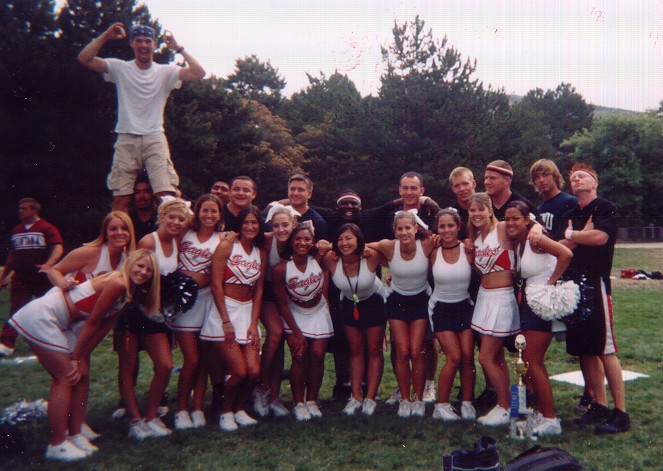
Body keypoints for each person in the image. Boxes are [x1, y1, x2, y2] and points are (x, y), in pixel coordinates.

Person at [10, 249, 159, 461]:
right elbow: (93, 323)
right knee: (65, 377)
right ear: (130, 264)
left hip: (61, 323)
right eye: (140, 266)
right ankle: (57, 444)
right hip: (43, 316)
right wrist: (76, 358)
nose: (143, 272)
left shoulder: (128, 292)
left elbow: (103, 328)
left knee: (82, 374)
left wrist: (82, 357)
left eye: (149, 270)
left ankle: (75, 434)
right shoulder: (118, 282)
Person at [78, 23, 205, 212]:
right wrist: (106, 35)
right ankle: (119, 233)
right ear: (132, 43)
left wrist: (178, 48)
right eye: (139, 41)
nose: (143, 45)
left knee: (166, 197)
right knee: (121, 198)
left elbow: (199, 73)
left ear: (154, 45)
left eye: (147, 41)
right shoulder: (119, 67)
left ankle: (168, 232)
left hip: (155, 137)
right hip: (126, 137)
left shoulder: (166, 71)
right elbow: (84, 58)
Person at [558, 164, 630, 435]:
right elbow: (561, 247)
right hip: (574, 286)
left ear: (595, 182)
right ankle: (599, 405)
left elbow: (599, 237)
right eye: (573, 177)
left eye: (583, 176)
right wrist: (578, 237)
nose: (577, 179)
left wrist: (572, 235)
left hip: (596, 282)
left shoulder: (604, 208)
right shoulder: (572, 213)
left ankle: (621, 412)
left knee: (604, 348)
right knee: (586, 349)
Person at [117, 198, 189, 440]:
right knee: (128, 366)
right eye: (172, 217)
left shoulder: (177, 242)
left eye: (181, 219)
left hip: (157, 313)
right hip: (134, 310)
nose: (176, 222)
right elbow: (134, 273)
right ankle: (135, 421)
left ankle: (151, 416)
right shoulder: (149, 241)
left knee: (165, 365)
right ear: (161, 217)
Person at [505, 201, 572, 435]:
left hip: (540, 303)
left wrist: (550, 284)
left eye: (515, 218)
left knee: (534, 362)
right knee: (528, 362)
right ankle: (540, 412)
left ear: (527, 220)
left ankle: (551, 418)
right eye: (507, 218)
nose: (510, 223)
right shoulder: (522, 241)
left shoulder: (537, 239)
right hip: (529, 303)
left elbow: (566, 254)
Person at [201, 205, 267, 431]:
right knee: (239, 371)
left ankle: (239, 409)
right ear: (239, 225)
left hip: (247, 312)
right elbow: (215, 284)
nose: (250, 227)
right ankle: (226, 412)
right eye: (246, 222)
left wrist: (254, 323)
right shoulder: (228, 245)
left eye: (254, 223)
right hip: (224, 312)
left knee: (253, 371)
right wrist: (226, 321)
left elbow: (259, 290)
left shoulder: (261, 252)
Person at [369, 211, 434, 418]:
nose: (404, 232)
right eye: (400, 229)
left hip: (421, 301)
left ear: (416, 228)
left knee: (417, 351)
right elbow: (361, 245)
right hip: (397, 302)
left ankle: (419, 399)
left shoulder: (427, 244)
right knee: (403, 351)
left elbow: (449, 241)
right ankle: (405, 400)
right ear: (394, 231)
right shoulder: (389, 246)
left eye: (408, 228)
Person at [170, 194, 224, 430]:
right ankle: (181, 408)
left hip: (207, 302)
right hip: (183, 305)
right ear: (197, 212)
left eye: (214, 211)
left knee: (202, 359)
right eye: (205, 210)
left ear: (220, 215)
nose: (209, 215)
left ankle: (198, 408)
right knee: (191, 359)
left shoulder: (222, 239)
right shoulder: (184, 233)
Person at [466, 192, 519, 426]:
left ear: (490, 210)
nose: (477, 214)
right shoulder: (477, 238)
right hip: (484, 298)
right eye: (472, 210)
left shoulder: (503, 228)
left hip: (502, 298)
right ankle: (504, 405)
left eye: (481, 209)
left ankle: (505, 406)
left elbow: (530, 224)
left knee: (486, 357)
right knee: (496, 357)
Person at [323, 224, 387, 417]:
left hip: (374, 302)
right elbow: (316, 251)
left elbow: (391, 251)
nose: (344, 243)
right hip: (350, 304)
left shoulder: (371, 256)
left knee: (374, 350)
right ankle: (356, 396)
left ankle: (371, 398)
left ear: (359, 239)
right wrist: (326, 246)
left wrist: (367, 247)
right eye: (340, 239)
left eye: (349, 238)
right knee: (355, 350)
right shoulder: (331, 259)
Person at [273, 223, 333, 421]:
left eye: (307, 239)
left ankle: (312, 400)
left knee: (318, 355)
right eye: (298, 239)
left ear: (313, 242)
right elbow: (282, 304)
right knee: (299, 356)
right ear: (291, 241)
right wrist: (297, 333)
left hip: (318, 312)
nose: (302, 243)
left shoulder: (319, 259)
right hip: (294, 314)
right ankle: (299, 402)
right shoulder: (281, 268)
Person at [428, 208, 476, 421]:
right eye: (442, 226)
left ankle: (467, 403)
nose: (446, 230)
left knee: (467, 356)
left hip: (465, 307)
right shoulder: (433, 250)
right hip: (440, 308)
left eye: (450, 225)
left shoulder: (468, 249)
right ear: (437, 229)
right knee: (454, 357)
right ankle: (441, 405)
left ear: (458, 227)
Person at [0, 198, 64, 356]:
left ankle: (58, 339)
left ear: (34, 210)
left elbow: (58, 247)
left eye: (24, 208)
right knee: (16, 309)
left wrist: (48, 265)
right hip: (21, 277)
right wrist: (4, 276)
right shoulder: (16, 230)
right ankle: (6, 343)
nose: (20, 211)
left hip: (42, 277)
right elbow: (13, 255)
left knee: (49, 309)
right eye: (20, 208)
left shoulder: (46, 227)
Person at [252, 207, 299, 418]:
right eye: (276, 225)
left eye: (285, 225)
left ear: (294, 225)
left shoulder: (300, 240)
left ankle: (274, 396)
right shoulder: (266, 240)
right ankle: (261, 388)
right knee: (275, 333)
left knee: (279, 344)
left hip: (288, 295)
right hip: (266, 294)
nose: (281, 230)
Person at [529, 159, 578, 235]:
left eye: (545, 175)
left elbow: (576, 236)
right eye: (537, 177)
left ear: (555, 176)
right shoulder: (538, 210)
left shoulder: (570, 202)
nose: (541, 180)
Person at [129, 173, 159, 241]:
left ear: (152, 193)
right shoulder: (129, 216)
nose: (141, 196)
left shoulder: (160, 216)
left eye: (146, 191)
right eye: (137, 192)